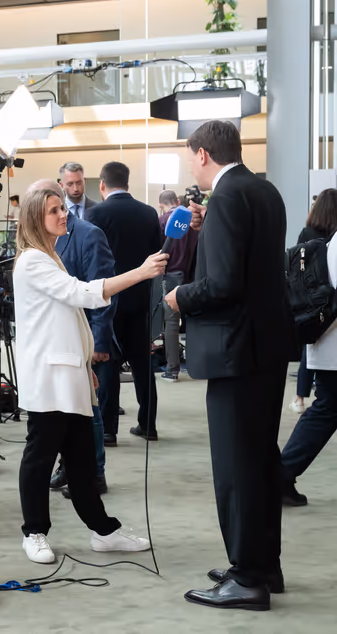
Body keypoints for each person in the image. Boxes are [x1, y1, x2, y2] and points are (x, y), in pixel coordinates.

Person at [165, 120, 292, 611]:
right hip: (266, 346)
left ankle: (245, 578)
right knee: (260, 460)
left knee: (237, 469)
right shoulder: (263, 190)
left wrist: (179, 297)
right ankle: (263, 564)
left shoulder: (224, 200)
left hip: (235, 351)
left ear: (201, 154)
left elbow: (220, 284)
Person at [13, 184, 164, 564]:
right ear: (36, 217)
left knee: (81, 461)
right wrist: (140, 273)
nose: (63, 215)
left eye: (62, 208)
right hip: (50, 377)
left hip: (69, 373)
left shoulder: (50, 256)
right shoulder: (33, 260)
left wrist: (84, 364)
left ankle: (104, 531)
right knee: (40, 456)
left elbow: (68, 317)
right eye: (53, 211)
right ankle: (34, 532)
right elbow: (82, 294)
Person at [85, 162, 163, 441]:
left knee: (107, 363)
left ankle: (108, 430)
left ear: (102, 184)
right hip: (140, 299)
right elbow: (157, 254)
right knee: (143, 365)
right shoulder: (148, 213)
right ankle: (148, 424)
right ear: (128, 184)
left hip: (106, 300)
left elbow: (88, 258)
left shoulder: (94, 214)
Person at [50, 180, 116, 495]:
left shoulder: (89, 234)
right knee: (63, 410)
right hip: (54, 340)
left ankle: (95, 474)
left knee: (88, 410)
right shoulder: (43, 242)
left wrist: (100, 341)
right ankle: (69, 467)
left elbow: (101, 290)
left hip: (84, 336)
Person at [281, 228, 337, 507]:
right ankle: (280, 474)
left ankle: (280, 474)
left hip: (327, 342)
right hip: (332, 345)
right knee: (327, 408)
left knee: (327, 408)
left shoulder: (332, 242)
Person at [289, 188, 337, 412]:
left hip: (311, 298)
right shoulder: (334, 234)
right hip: (331, 296)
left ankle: (299, 397)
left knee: (310, 347)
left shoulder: (307, 232)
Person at [157, 190, 199, 383]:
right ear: (176, 201)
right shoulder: (191, 222)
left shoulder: (162, 221)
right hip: (190, 276)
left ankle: (172, 370)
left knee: (171, 324)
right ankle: (196, 366)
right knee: (191, 322)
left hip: (170, 276)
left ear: (161, 204)